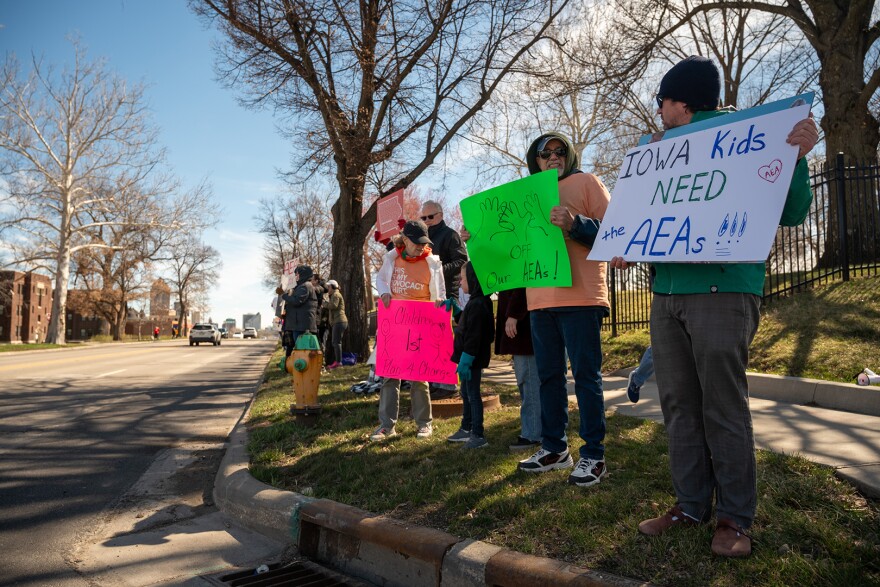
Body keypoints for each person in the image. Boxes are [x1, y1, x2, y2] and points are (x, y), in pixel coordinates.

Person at [611, 55, 818, 557]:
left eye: (662, 100)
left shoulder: (750, 134)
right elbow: (639, 220)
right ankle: (689, 505)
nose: (658, 110)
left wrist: (797, 155)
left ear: (681, 102)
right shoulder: (654, 152)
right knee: (679, 405)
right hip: (667, 295)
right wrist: (623, 238)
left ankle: (734, 520)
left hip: (724, 291)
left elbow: (793, 213)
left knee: (721, 406)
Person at [508, 131, 611, 491]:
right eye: (544, 152)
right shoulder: (526, 196)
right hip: (540, 302)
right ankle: (554, 449)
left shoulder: (587, 182)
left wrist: (576, 224)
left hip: (582, 297)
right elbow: (512, 245)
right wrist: (483, 238)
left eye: (559, 151)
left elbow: (617, 232)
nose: (553, 157)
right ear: (534, 160)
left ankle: (594, 454)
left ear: (569, 155)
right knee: (548, 377)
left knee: (585, 377)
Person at [372, 220, 446, 441]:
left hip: (421, 326)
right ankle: (386, 425)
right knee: (389, 376)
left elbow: (439, 289)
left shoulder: (433, 263)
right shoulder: (392, 259)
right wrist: (384, 292)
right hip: (395, 324)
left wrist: (439, 301)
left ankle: (424, 424)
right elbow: (381, 280)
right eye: (416, 243)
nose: (421, 247)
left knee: (419, 376)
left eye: (424, 243)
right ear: (405, 240)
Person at [420, 200, 468, 401]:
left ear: (440, 215)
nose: (427, 221)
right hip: (428, 296)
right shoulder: (424, 239)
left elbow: (461, 260)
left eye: (430, 216)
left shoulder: (450, 235)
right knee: (431, 341)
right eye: (423, 218)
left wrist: (438, 271)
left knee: (444, 341)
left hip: (447, 294)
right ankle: (435, 381)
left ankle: (448, 385)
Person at [446, 262, 495, 449]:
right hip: (467, 360)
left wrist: (466, 360)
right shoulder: (474, 303)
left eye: (463, 278)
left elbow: (474, 336)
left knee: (473, 395)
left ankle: (478, 434)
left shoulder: (479, 304)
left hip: (471, 361)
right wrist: (457, 312)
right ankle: (466, 428)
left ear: (474, 279)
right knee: (465, 393)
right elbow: (466, 324)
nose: (459, 283)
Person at [280, 265, 319, 358]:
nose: (295, 276)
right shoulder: (301, 286)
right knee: (299, 348)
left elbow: (297, 301)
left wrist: (284, 296)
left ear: (303, 275)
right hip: (299, 324)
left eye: (297, 274)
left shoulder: (305, 286)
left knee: (301, 349)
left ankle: (302, 369)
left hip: (302, 325)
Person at [323, 279, 348, 370]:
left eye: (328, 287)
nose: (327, 288)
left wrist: (324, 303)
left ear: (333, 287)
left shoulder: (336, 294)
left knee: (336, 342)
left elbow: (333, 305)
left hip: (339, 321)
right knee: (336, 342)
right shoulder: (333, 294)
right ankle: (338, 361)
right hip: (337, 321)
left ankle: (338, 362)